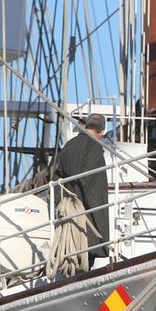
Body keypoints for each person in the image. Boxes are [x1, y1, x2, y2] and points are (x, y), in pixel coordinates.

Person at [55, 113, 111, 269]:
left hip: (68, 216)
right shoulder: (93, 147)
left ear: (86, 126)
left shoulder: (68, 146)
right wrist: (100, 235)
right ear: (102, 131)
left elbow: (57, 179)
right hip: (85, 221)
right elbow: (93, 187)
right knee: (86, 262)